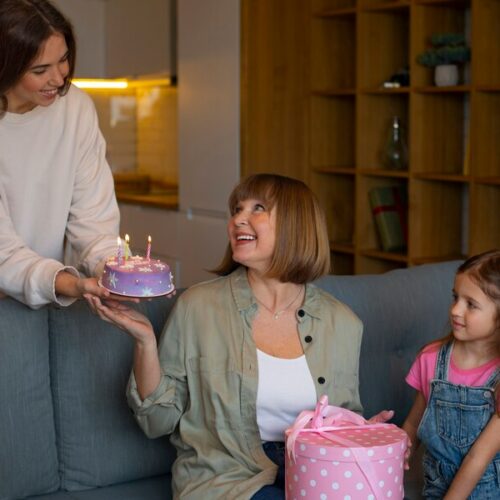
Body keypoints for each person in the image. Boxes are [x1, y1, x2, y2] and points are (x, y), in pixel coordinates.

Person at [89, 173, 390, 499]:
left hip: (316, 472)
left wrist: (367, 433)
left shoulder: (342, 323)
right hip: (228, 480)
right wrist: (145, 341)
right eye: (236, 209)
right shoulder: (198, 308)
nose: (237, 220)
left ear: (295, 224)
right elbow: (156, 421)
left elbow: (343, 423)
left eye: (257, 208)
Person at [0, 0, 120, 309]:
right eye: (40, 70)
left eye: (64, 60)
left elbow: (94, 223)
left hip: (45, 294)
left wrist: (113, 270)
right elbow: (3, 251)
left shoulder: (76, 109)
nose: (59, 78)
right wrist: (70, 283)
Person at [403, 250, 500, 499]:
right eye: (455, 297)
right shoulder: (431, 359)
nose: (456, 310)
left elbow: (479, 457)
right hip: (436, 488)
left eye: (471, 304)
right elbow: (413, 423)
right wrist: (389, 468)